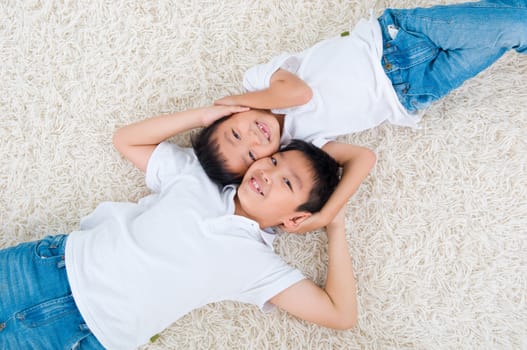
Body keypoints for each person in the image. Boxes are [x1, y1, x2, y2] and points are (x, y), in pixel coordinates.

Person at [0, 105, 373, 350]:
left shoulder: (260, 267)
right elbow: (126, 139)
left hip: (82, 336)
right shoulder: (198, 175)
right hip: (49, 268)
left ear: (294, 219)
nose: (268, 174)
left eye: (287, 184)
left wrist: (332, 224)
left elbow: (341, 314)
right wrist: (203, 116)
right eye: (273, 160)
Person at [193, 0, 527, 232]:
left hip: (395, 41)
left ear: (228, 114)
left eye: (235, 133)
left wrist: (234, 100)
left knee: (516, 22)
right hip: (413, 92)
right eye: (251, 155)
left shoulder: (257, 82)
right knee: (513, 30)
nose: (254, 139)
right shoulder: (299, 147)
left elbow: (298, 94)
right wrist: (326, 213)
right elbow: (363, 158)